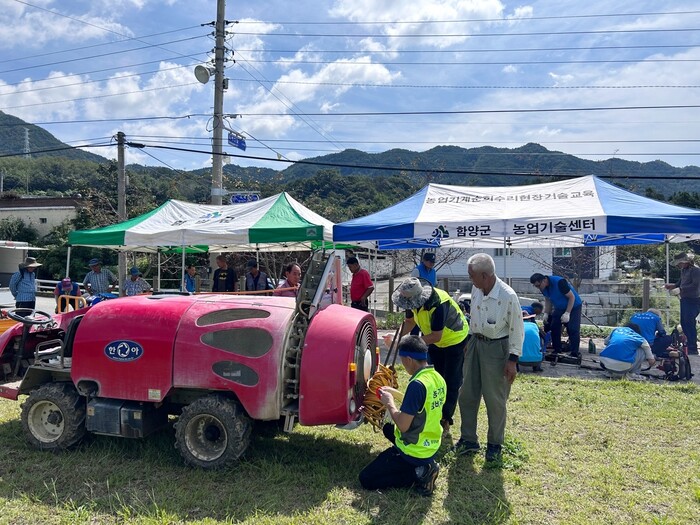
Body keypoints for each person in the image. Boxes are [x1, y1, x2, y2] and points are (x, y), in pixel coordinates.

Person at [455, 253, 523, 462]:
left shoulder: (507, 296)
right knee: (467, 394)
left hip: (497, 348)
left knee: (495, 399)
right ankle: (468, 439)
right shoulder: (476, 289)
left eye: (472, 275)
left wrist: (512, 360)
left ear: (484, 275)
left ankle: (494, 444)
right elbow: (474, 317)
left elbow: (517, 329)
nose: (470, 279)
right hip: (475, 343)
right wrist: (468, 342)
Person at [358, 335, 445, 497]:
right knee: (387, 429)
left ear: (409, 360)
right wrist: (394, 393)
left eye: (403, 360)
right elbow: (420, 406)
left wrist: (389, 402)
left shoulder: (417, 385)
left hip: (415, 451)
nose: (403, 364)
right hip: (431, 444)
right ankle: (424, 464)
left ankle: (421, 472)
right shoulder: (437, 378)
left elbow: (403, 426)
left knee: (366, 479)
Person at [392, 277, 469, 435]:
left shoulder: (438, 304)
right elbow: (410, 322)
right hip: (435, 341)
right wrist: (397, 337)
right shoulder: (411, 301)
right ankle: (432, 414)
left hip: (454, 339)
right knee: (435, 378)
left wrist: (411, 342)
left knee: (451, 381)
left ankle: (445, 419)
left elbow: (436, 336)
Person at [530, 272, 583, 357]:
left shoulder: (559, 282)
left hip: (573, 306)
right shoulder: (543, 288)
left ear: (544, 280)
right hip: (560, 307)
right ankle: (557, 349)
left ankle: (574, 352)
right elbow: (548, 299)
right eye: (536, 286)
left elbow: (571, 297)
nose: (538, 288)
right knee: (554, 326)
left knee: (573, 329)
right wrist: (546, 313)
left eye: (538, 285)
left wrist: (567, 313)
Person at [664, 252, 700, 355]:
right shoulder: (684, 270)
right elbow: (681, 282)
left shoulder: (696, 270)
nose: (678, 266)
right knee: (684, 322)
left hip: (694, 299)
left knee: (689, 322)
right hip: (685, 298)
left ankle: (692, 347)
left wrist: (681, 289)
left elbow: (696, 285)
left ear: (685, 262)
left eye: (679, 263)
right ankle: (689, 344)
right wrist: (673, 286)